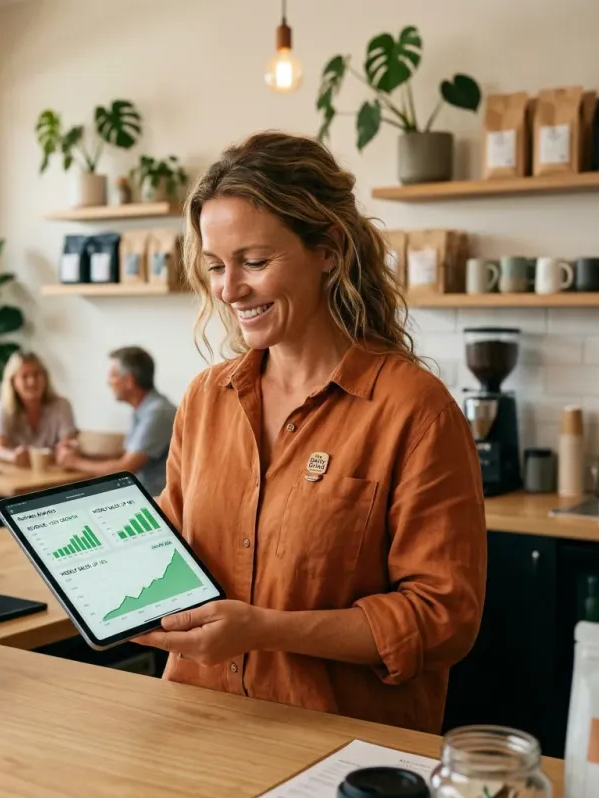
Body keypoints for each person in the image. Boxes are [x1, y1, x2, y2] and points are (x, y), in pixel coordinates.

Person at [134, 131, 487, 734]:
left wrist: (266, 629)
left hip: (338, 749)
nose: (229, 289)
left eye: (254, 262)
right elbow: (173, 553)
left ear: (329, 249)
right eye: (216, 266)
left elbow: (441, 617)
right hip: (197, 727)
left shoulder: (415, 411)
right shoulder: (204, 400)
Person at [55, 347, 176, 497]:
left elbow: (125, 469)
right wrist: (81, 456)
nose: (108, 382)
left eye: (113, 376)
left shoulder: (157, 412)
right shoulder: (143, 409)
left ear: (129, 380)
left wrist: (74, 462)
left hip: (155, 500)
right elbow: (128, 457)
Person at [0, 351, 77, 466]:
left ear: (45, 378)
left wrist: (67, 449)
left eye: (36, 375)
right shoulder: (1, 409)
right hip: (16, 471)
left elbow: (68, 443)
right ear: (13, 382)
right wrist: (12, 456)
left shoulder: (61, 406)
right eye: (24, 377)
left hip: (51, 470)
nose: (32, 382)